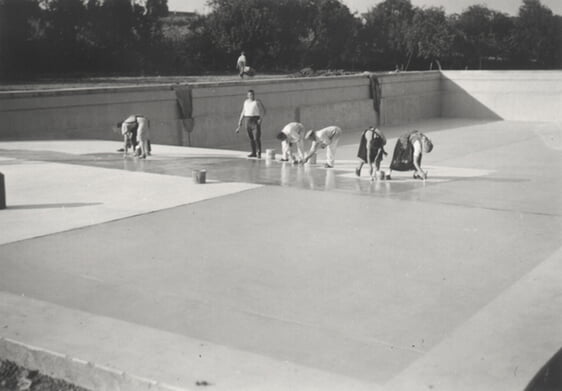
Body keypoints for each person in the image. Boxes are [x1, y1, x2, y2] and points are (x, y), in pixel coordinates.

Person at [237, 90, 266, 158]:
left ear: (254, 95)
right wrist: (240, 121)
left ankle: (259, 152)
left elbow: (263, 111)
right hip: (247, 120)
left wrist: (260, 119)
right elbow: (243, 111)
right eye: (249, 95)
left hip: (255, 120)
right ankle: (253, 152)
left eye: (252, 94)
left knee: (257, 137)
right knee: (251, 138)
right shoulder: (246, 102)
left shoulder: (257, 102)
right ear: (247, 95)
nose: (251, 96)